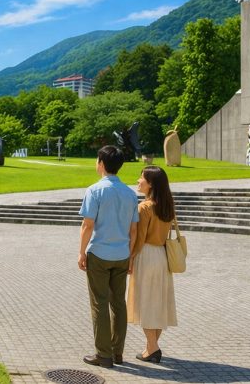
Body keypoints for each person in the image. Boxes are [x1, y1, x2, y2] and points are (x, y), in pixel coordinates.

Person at [78, 145, 139, 368]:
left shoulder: (94, 190)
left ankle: (103, 354)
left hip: (100, 253)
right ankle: (117, 352)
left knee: (99, 304)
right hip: (122, 254)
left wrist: (81, 252)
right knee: (118, 304)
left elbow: (87, 224)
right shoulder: (130, 194)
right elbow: (134, 230)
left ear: (101, 164)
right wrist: (131, 256)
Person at [127, 165, 178, 363]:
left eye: (141, 178)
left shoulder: (145, 207)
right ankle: (150, 347)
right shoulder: (167, 205)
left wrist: (130, 258)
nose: (138, 181)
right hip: (162, 255)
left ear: (151, 184)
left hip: (146, 255)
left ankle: (153, 348)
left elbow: (139, 239)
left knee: (146, 302)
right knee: (157, 302)